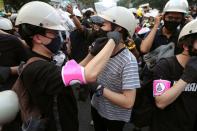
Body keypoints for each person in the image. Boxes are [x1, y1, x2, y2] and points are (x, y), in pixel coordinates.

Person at [0, 1, 121, 131]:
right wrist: (112, 42)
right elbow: (88, 75)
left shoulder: (40, 59)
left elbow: (71, 71)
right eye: (53, 33)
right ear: (38, 38)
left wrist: (92, 54)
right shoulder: (40, 68)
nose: (58, 37)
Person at [90, 6, 140, 131]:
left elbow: (128, 102)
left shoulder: (129, 61)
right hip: (96, 106)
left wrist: (98, 88)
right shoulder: (102, 50)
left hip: (114, 117)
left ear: (118, 29)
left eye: (103, 25)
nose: (99, 28)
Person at [151, 19, 197, 131]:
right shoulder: (165, 66)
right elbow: (160, 102)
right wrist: (186, 77)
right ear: (186, 45)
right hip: (166, 126)